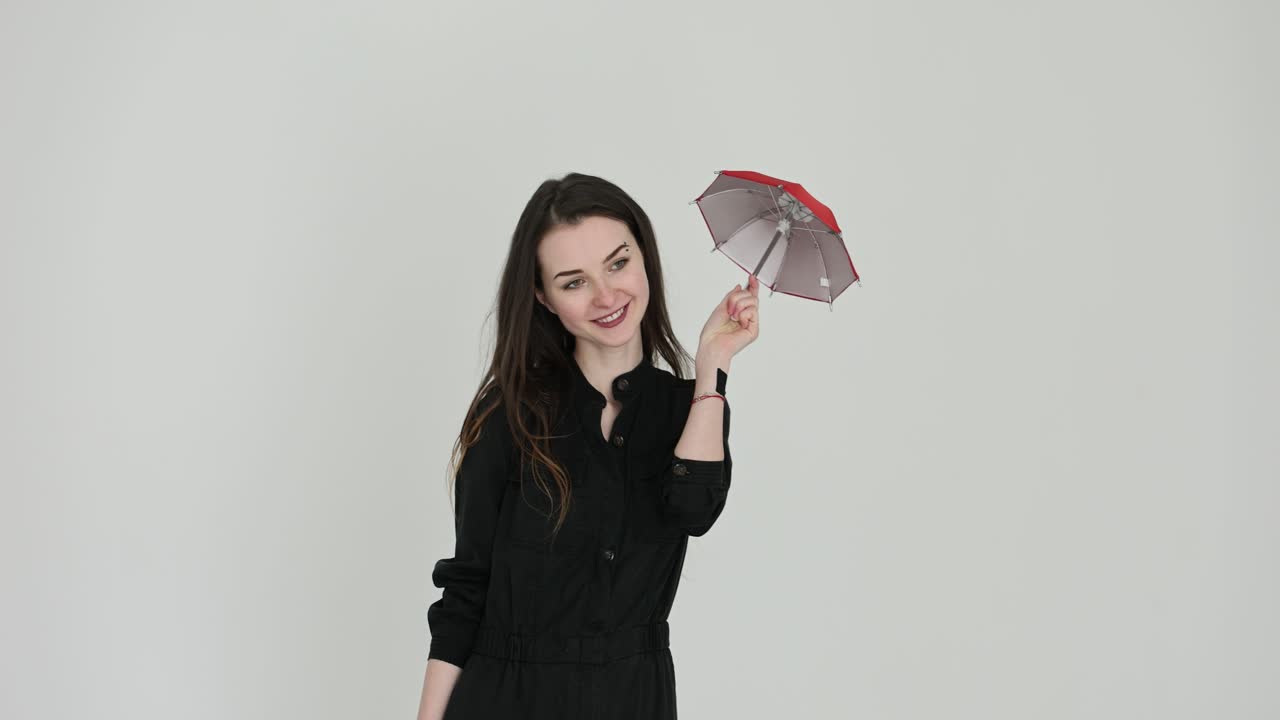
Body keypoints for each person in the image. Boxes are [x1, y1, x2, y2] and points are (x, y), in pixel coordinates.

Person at [415, 172, 760, 720]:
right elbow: (466, 590)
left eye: (618, 263)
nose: (606, 296)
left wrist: (712, 366)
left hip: (632, 699)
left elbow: (694, 510)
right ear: (543, 297)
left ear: (644, 258)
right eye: (573, 282)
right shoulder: (509, 416)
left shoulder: (685, 408)